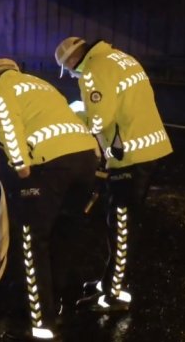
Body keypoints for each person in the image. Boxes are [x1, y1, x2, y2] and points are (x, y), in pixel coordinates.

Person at [0, 58, 99, 342]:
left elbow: (8, 121)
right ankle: (57, 307)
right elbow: (74, 114)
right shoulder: (40, 84)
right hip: (86, 159)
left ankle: (42, 328)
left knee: (33, 242)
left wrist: (20, 164)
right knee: (63, 237)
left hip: (50, 166)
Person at [54, 37, 173, 313]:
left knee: (120, 225)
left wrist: (74, 118)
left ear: (72, 60)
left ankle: (115, 294)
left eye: (68, 69)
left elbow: (100, 119)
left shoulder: (94, 70)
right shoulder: (121, 58)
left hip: (130, 155)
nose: (71, 74)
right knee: (120, 222)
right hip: (147, 147)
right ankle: (110, 282)